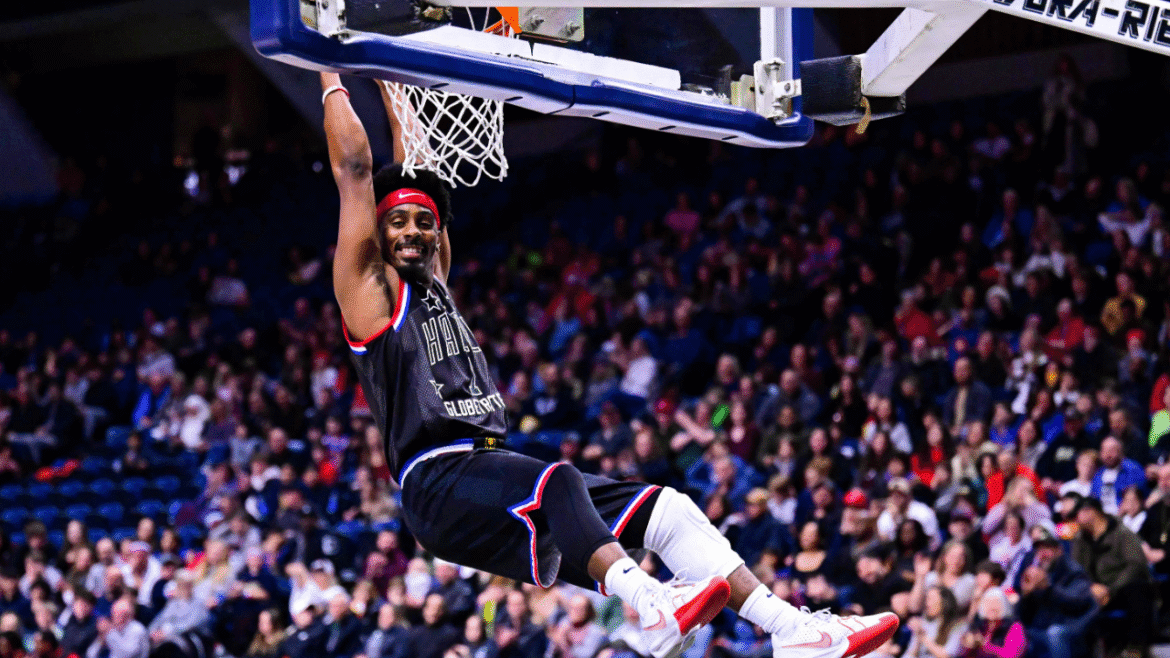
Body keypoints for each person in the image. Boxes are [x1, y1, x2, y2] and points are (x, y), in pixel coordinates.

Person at [319, 70, 899, 658]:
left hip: (486, 468)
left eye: (424, 221)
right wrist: (329, 66)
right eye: (397, 222)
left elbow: (416, 160)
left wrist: (391, 68)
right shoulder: (368, 295)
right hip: (436, 479)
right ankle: (653, 606)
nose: (413, 230)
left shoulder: (436, 280)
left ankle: (794, 632)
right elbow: (355, 171)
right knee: (559, 481)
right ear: (378, 237)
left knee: (670, 511)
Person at [1070, 497, 1152, 655]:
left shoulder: (1121, 533)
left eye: (1078, 515)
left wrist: (1110, 589)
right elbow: (1076, 570)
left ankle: (1136, 648)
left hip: (1119, 588)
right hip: (1093, 591)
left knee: (1138, 588)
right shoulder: (1080, 539)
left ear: (1091, 512)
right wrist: (1090, 587)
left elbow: (1136, 564)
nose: (1076, 520)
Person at [1013, 522, 1096, 658]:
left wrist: (1048, 588)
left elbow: (1077, 602)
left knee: (1054, 632)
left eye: (1047, 548)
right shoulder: (1038, 574)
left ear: (1059, 550)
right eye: (1039, 549)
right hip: (1041, 630)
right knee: (1015, 630)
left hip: (1070, 631)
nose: (1043, 553)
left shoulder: (1074, 571)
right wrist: (1026, 596)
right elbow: (1024, 616)